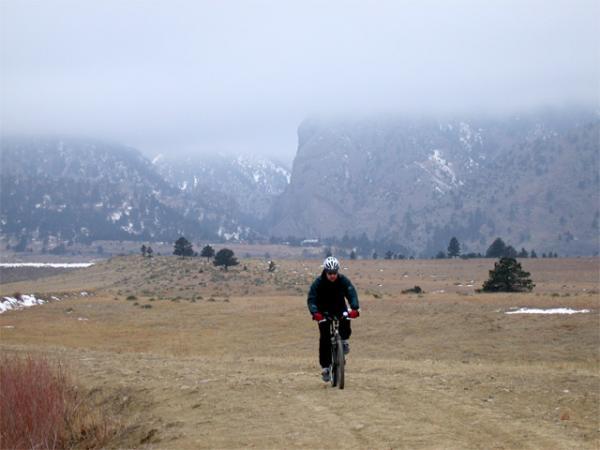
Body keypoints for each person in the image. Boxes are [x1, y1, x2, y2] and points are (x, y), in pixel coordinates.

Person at [307, 256, 360, 382]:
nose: (332, 276)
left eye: (335, 273)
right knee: (324, 338)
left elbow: (351, 293)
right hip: (323, 312)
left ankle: (345, 341)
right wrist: (315, 312)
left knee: (346, 317)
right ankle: (325, 368)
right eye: (330, 273)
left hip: (339, 308)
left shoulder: (343, 281)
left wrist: (355, 308)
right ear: (325, 271)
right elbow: (311, 298)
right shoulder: (318, 283)